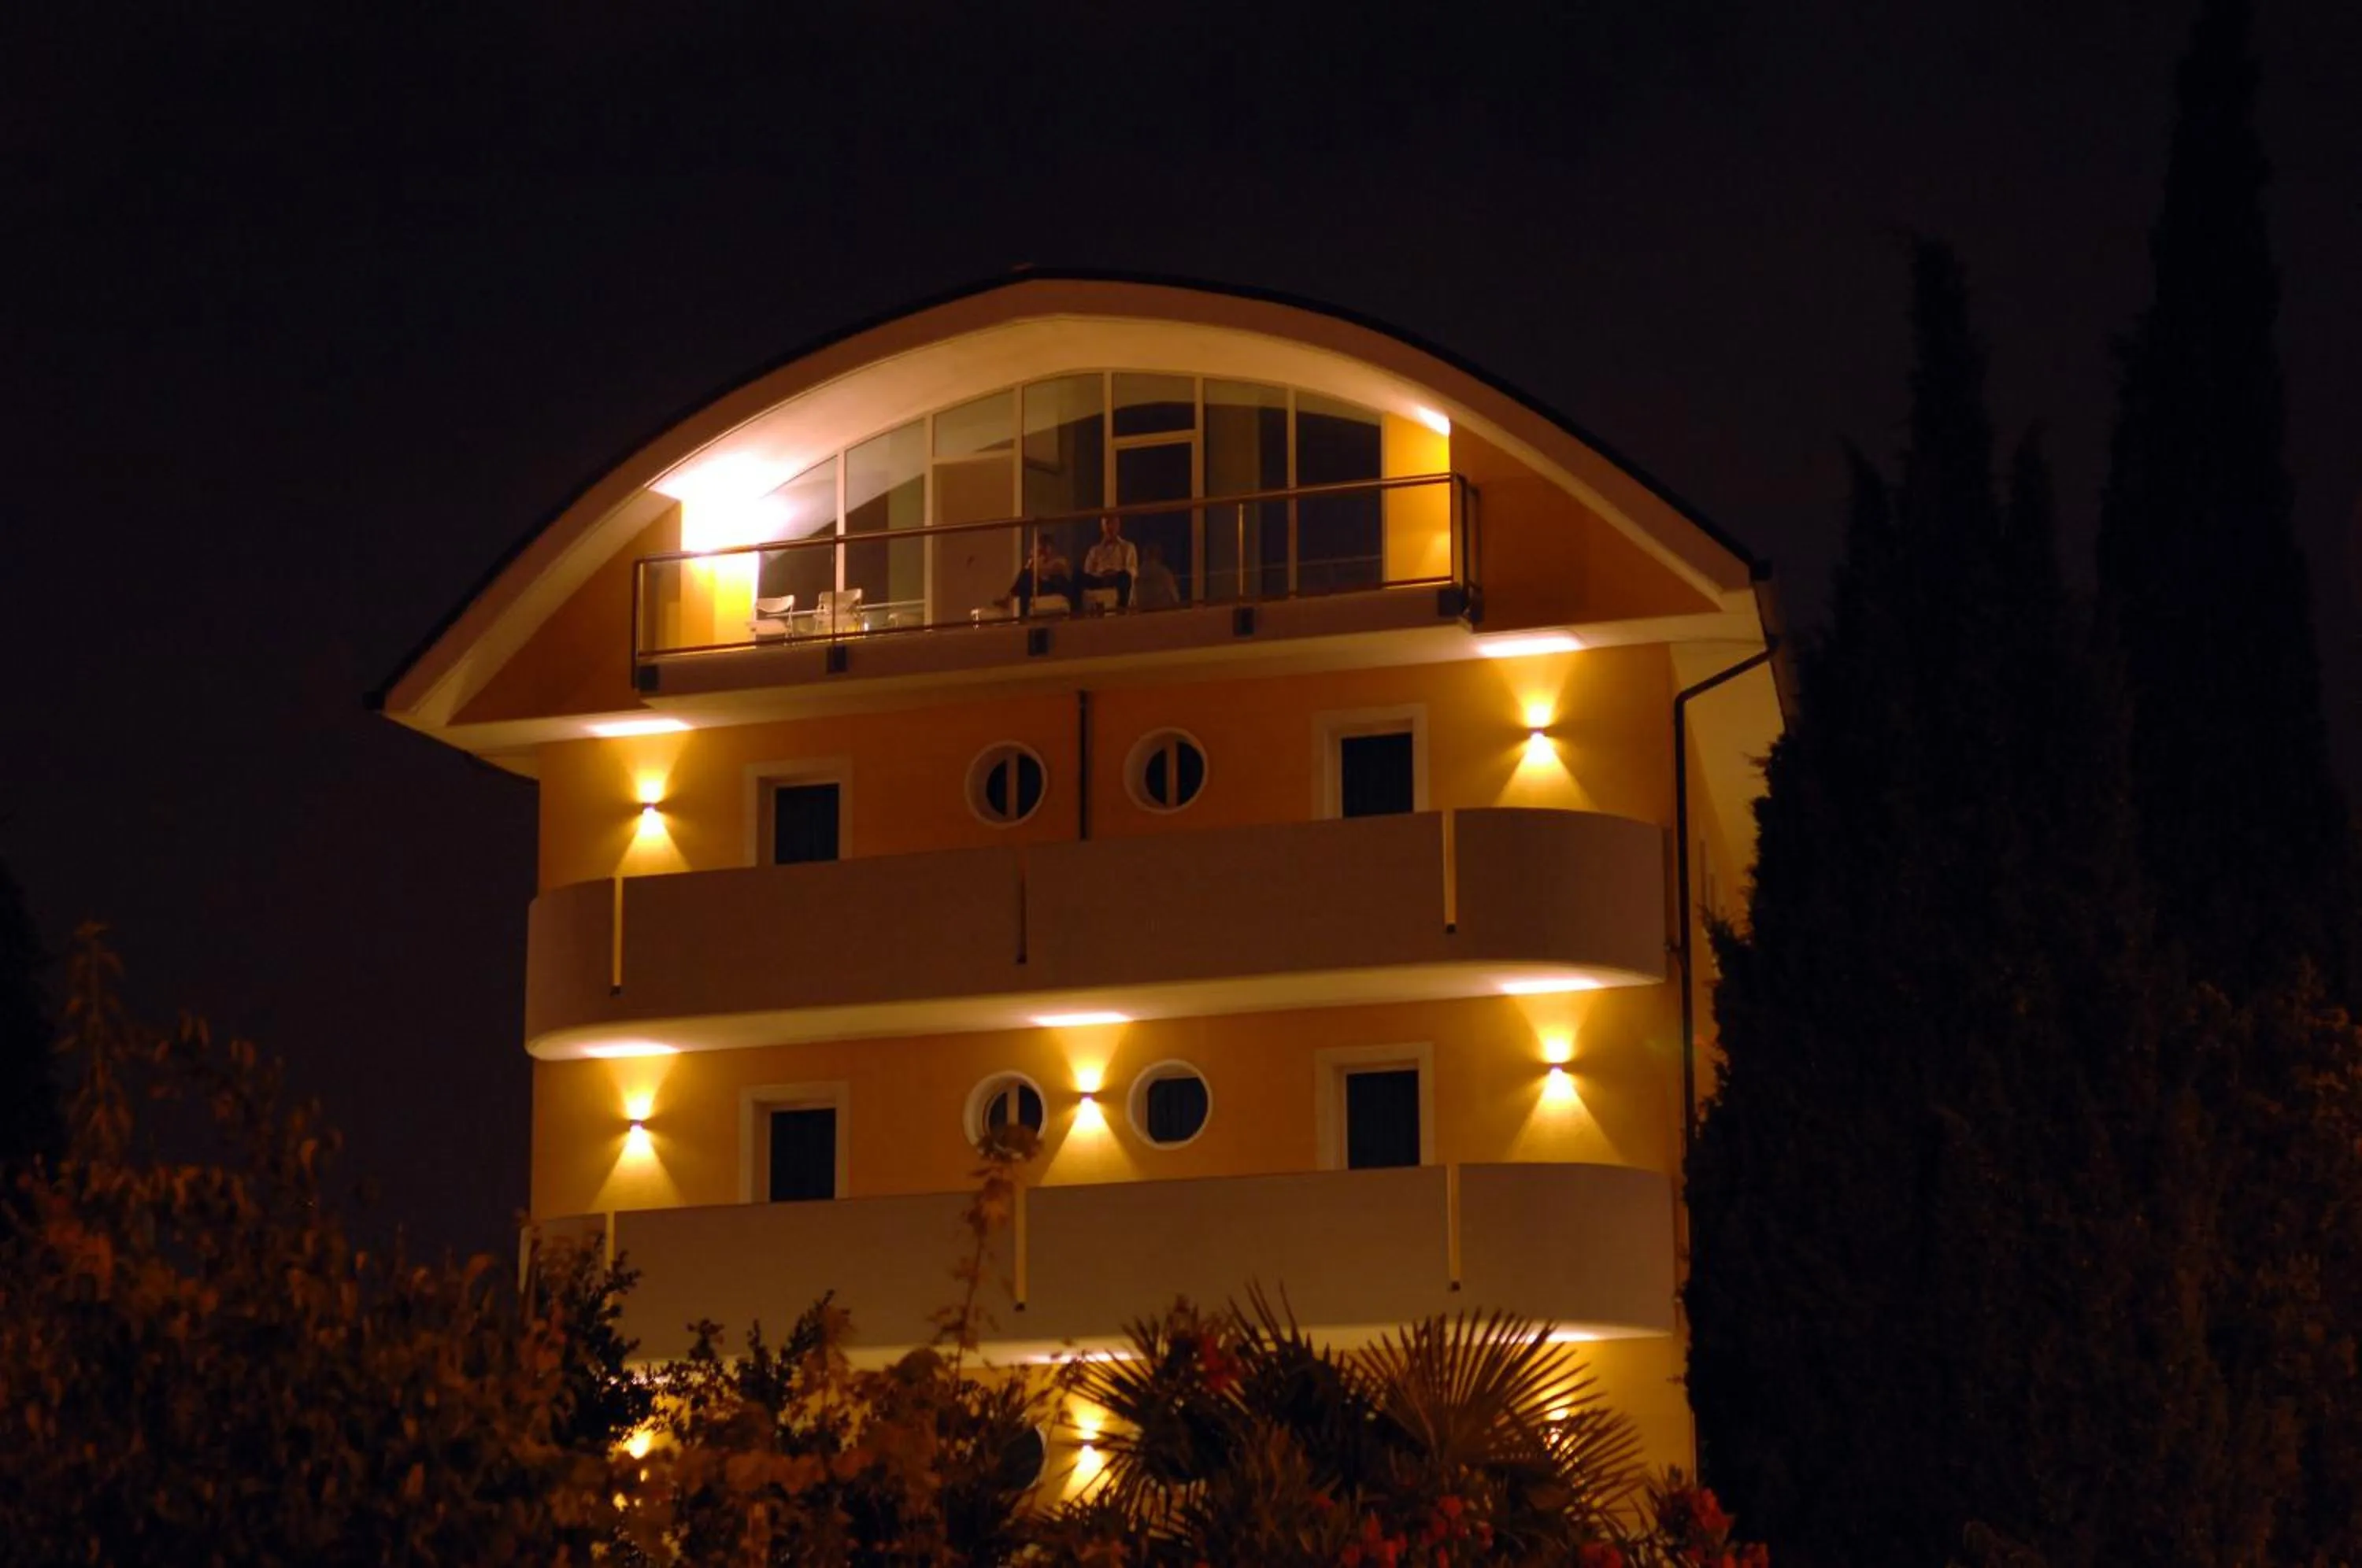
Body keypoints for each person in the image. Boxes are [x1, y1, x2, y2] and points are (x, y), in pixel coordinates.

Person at [1003, 536, 1074, 617]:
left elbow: (1071, 603)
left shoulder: (1061, 580)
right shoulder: (1026, 578)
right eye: (1040, 553)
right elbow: (1011, 598)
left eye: (1047, 555)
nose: (1044, 558)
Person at [1079, 513, 1138, 609]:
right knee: (1078, 574)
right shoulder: (1095, 550)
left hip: (1116, 578)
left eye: (1113, 523)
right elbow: (1087, 570)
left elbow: (1133, 570)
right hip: (1099, 579)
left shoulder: (1127, 547)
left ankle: (1122, 610)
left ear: (1118, 525)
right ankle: (1077, 614)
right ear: (1102, 526)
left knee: (1125, 576)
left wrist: (1117, 572)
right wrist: (1098, 573)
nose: (1110, 527)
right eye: (1107, 523)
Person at [1131, 542, 1180, 610]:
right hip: (1160, 613)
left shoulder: (1137, 573)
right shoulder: (1163, 572)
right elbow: (1174, 596)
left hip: (1142, 612)